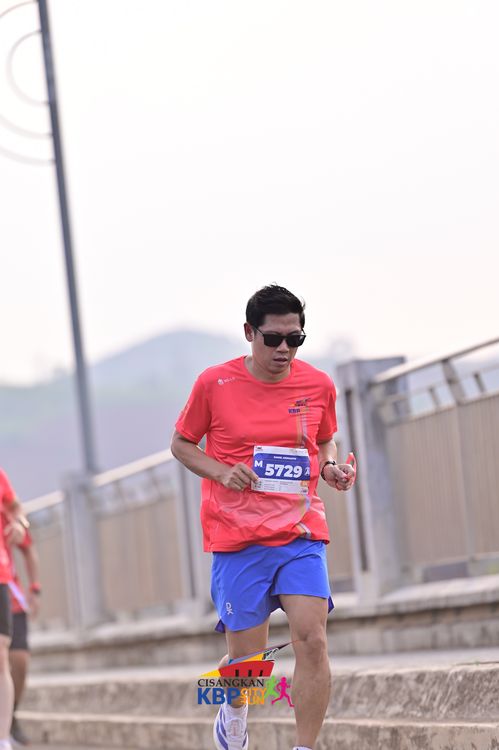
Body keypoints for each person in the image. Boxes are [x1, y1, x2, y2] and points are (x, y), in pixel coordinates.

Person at [171, 284, 355, 750]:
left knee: (312, 639)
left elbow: (324, 440)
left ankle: (305, 746)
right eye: (273, 339)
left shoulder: (318, 384)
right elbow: (181, 444)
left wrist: (330, 467)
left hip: (300, 532)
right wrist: (221, 471)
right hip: (238, 539)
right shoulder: (215, 383)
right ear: (249, 332)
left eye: (295, 339)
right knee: (248, 662)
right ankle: (233, 712)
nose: (284, 349)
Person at [2, 511, 41, 746]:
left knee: (20, 661)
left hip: (10, 596)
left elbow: (28, 549)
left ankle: (10, 716)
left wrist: (35, 588)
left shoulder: (6, 513)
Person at [0, 470, 30, 750]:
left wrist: (19, 522)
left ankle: (3, 738)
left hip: (1, 576)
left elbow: (15, 506)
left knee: (3, 655)